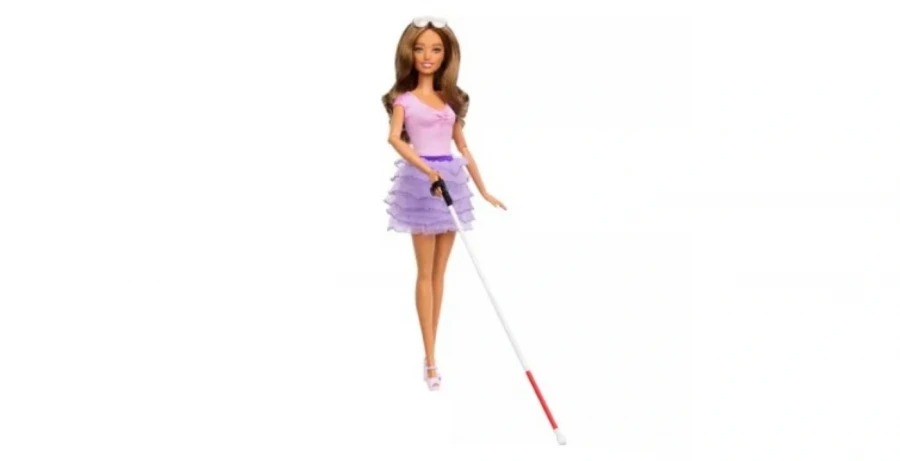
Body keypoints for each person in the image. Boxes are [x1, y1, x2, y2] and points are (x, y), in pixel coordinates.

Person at [382, 16, 507, 391]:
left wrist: (483, 190)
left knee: (440, 273)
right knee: (425, 273)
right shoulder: (404, 100)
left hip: (451, 179)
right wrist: (426, 170)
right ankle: (430, 357)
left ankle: (432, 350)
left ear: (446, 55)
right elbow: (394, 139)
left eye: (436, 49)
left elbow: (463, 147)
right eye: (420, 49)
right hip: (422, 185)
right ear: (409, 53)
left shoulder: (451, 100)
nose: (427, 56)